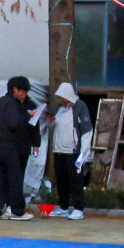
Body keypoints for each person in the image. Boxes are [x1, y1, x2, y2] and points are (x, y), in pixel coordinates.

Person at [0, 76, 39, 220]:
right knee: (15, 179)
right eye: (22, 91)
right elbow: (14, 124)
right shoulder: (13, 104)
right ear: (15, 89)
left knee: (2, 179)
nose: (25, 94)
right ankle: (17, 211)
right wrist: (27, 115)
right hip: (11, 146)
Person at [49, 81, 93, 220]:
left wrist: (83, 153)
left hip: (74, 152)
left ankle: (79, 208)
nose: (60, 100)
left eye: (62, 97)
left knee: (75, 180)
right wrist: (51, 122)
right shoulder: (59, 108)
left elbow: (87, 130)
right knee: (61, 180)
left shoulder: (80, 107)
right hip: (59, 150)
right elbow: (53, 127)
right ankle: (63, 207)